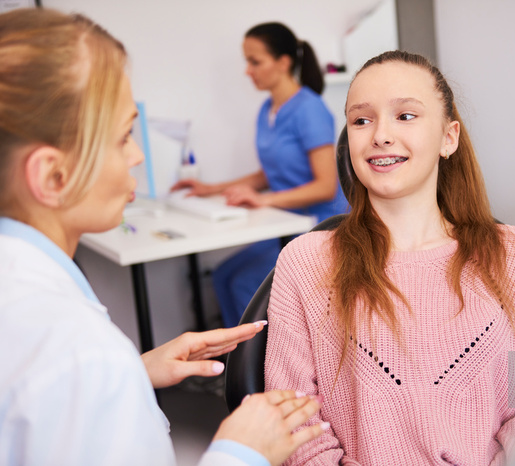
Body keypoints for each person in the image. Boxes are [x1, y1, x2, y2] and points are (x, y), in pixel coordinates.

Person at [0, 9, 329, 466]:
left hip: (304, 221)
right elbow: (66, 375)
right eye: (122, 137)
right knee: (234, 276)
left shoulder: (36, 314)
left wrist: (133, 371)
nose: (137, 156)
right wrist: (243, 452)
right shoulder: (79, 354)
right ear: (52, 175)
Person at [264, 50, 515, 465]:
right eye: (361, 120)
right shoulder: (305, 261)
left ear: (449, 137)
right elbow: (294, 423)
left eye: (405, 116)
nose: (380, 135)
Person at [171, 22, 348, 328]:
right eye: (247, 62)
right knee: (224, 275)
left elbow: (325, 186)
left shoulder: (310, 109)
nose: (247, 71)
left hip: (319, 227)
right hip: (286, 222)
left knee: (243, 283)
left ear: (283, 62)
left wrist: (263, 200)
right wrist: (209, 188)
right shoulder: (268, 109)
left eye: (255, 61)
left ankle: (256, 371)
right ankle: (231, 368)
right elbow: (267, 174)